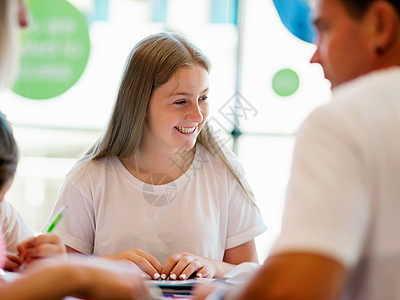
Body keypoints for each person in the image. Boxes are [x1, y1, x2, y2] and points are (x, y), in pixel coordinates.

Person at [197, 0, 400, 299]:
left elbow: (295, 290)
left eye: (325, 29)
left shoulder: (345, 120)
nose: (314, 56)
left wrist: (216, 297)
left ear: (380, 25)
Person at [44, 32, 267, 280]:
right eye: (181, 102)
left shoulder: (223, 169)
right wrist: (104, 266)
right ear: (140, 103)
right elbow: (51, 274)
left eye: (203, 98)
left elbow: (250, 273)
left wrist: (213, 267)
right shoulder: (89, 177)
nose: (198, 115)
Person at [0, 1, 149, 299]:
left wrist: (48, 265)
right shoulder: (90, 174)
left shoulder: (3, 212)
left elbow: (32, 269)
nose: (24, 19)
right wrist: (74, 274)